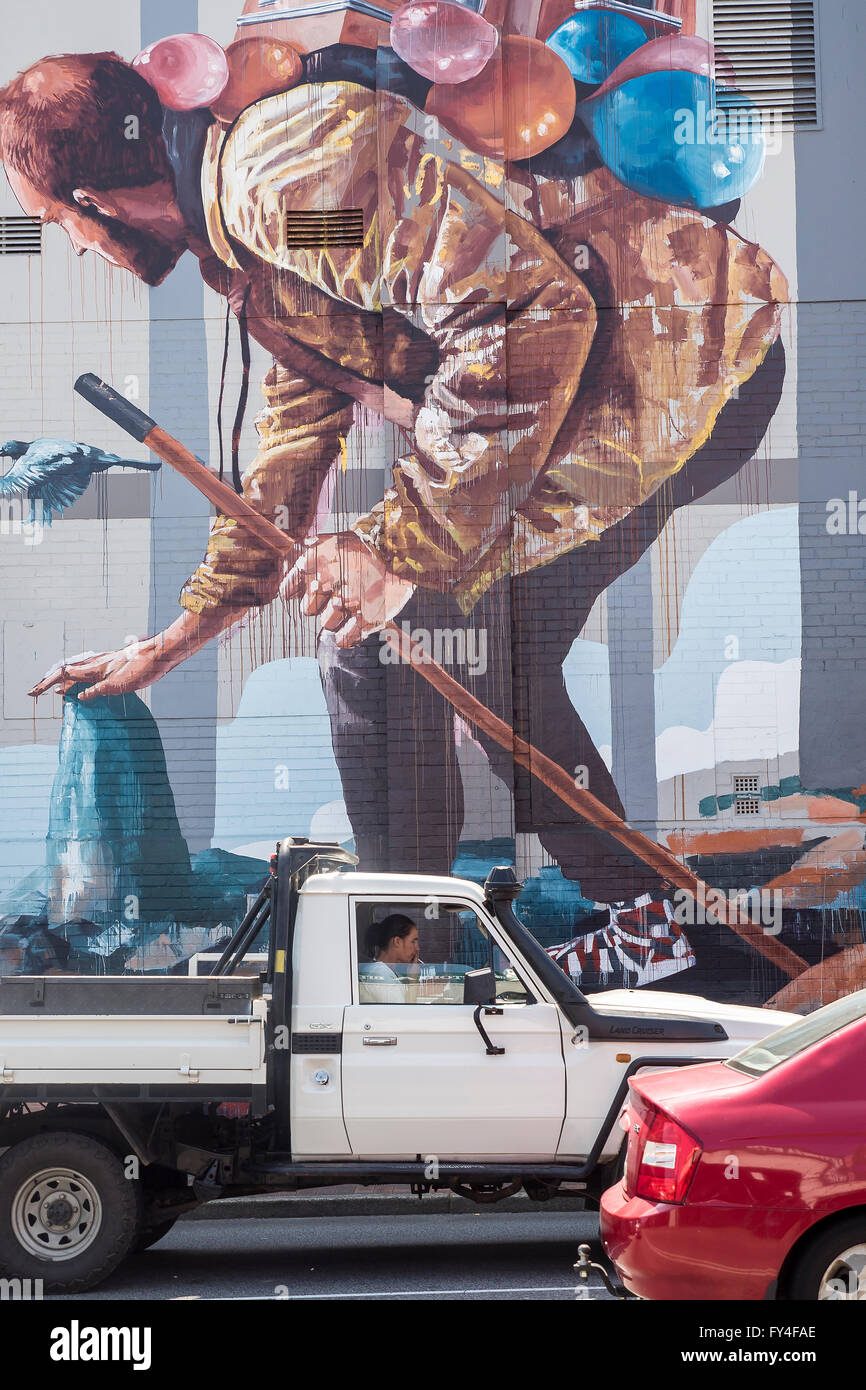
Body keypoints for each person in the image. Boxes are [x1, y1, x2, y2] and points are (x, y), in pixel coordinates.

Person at [0, 49, 787, 976]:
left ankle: (409, 956)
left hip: (671, 365)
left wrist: (399, 549)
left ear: (94, 201)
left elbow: (528, 311)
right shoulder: (263, 222)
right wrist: (175, 640)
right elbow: (294, 439)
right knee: (457, 649)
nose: (75, 245)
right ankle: (450, 946)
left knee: (404, 646)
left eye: (55, 224)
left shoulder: (280, 185)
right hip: (610, 369)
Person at [358, 913, 419, 1004]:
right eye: (413, 941)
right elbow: (404, 1014)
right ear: (397, 941)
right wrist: (414, 979)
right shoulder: (379, 973)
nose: (417, 948)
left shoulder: (390, 972)